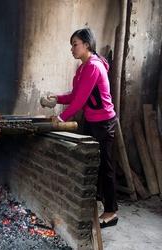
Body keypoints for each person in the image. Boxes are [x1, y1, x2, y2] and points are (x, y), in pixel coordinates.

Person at [41, 28, 118, 228]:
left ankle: (111, 212)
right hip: (92, 121)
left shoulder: (93, 66)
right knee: (92, 163)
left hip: (104, 123)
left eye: (75, 44)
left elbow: (80, 102)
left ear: (87, 44)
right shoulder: (82, 68)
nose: (72, 49)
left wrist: (60, 117)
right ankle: (95, 205)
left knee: (105, 167)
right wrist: (56, 98)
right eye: (71, 45)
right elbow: (75, 95)